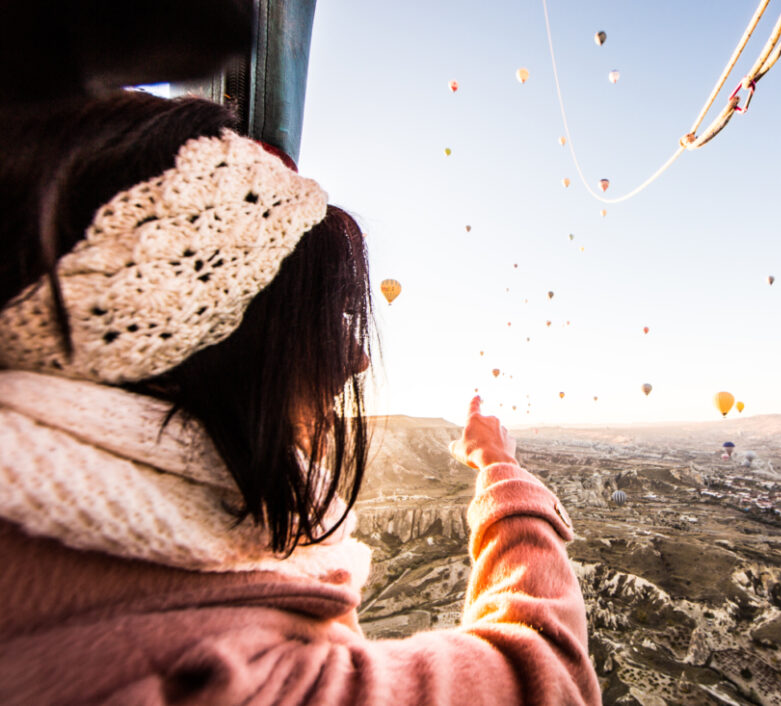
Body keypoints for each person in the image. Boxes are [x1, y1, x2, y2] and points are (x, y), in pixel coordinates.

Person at [0, 91, 601, 704]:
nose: (356, 357)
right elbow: (547, 676)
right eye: (322, 319)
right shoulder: (238, 678)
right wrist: (503, 473)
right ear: (209, 341)